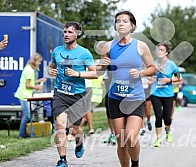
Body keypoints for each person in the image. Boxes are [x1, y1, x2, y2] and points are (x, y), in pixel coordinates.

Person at [97, 11, 156, 167]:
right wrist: (102, 65)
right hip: (115, 99)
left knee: (130, 137)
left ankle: (135, 163)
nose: (120, 23)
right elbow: (99, 72)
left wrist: (141, 73)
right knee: (121, 141)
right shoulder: (109, 46)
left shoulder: (141, 46)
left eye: (124, 21)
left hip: (135, 99)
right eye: (118, 21)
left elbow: (152, 68)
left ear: (132, 26)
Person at [47, 21, 97, 167]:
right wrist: (51, 71)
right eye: (64, 32)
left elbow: (95, 73)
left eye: (69, 32)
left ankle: (79, 142)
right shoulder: (57, 51)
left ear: (77, 34)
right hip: (60, 93)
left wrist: (78, 74)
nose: (66, 35)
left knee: (76, 129)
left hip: (77, 96)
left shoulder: (84, 53)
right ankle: (62, 159)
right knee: (60, 124)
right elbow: (50, 67)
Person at [149, 41, 180, 147]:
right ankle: (158, 139)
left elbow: (178, 77)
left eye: (162, 50)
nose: (159, 51)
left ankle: (168, 131)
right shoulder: (153, 63)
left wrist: (169, 80)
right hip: (155, 93)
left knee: (167, 117)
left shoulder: (171, 64)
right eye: (158, 49)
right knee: (158, 115)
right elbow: (149, 76)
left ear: (166, 53)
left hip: (168, 94)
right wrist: (151, 78)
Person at [15, 53, 47, 138]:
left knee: (27, 115)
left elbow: (30, 82)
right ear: (35, 61)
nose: (40, 63)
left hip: (25, 94)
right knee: (27, 115)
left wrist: (39, 80)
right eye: (39, 62)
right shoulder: (29, 71)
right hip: (24, 95)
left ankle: (24, 133)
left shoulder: (28, 68)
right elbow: (28, 85)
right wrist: (37, 87)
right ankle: (21, 134)